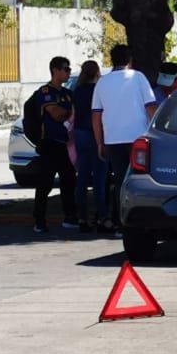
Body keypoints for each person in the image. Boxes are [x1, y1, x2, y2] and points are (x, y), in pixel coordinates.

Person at [91, 44, 157, 233]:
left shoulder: (102, 83)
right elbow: (151, 108)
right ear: (130, 60)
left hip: (113, 139)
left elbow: (96, 115)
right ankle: (138, 218)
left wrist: (99, 143)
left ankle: (118, 219)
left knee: (119, 179)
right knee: (140, 178)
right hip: (139, 138)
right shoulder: (138, 78)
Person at [31, 56, 79, 234]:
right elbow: (56, 114)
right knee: (45, 183)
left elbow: (76, 113)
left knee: (69, 180)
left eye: (69, 69)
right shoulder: (45, 92)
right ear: (55, 70)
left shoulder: (67, 94)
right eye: (65, 69)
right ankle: (39, 220)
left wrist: (70, 113)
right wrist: (70, 113)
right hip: (50, 144)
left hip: (66, 144)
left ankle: (70, 217)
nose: (68, 72)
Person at [71, 60, 107, 232]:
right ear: (97, 72)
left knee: (82, 178)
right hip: (96, 134)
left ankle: (82, 218)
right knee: (100, 178)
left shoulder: (77, 91)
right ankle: (102, 217)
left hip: (80, 133)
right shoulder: (99, 90)